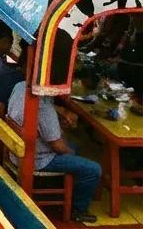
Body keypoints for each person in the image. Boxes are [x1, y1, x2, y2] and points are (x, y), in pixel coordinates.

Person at [8, 81, 101, 223]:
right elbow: (58, 146)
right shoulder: (44, 108)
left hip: (16, 151)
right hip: (38, 159)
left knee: (76, 149)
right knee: (93, 169)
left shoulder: (20, 86)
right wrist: (68, 151)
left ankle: (66, 188)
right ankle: (77, 210)